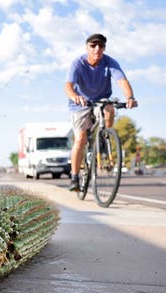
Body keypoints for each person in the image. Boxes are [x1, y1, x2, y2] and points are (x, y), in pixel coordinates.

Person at [64, 33, 137, 191]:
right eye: (93, 45)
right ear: (87, 47)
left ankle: (104, 136)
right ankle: (75, 177)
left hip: (101, 100)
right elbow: (68, 86)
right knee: (81, 139)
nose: (97, 49)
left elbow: (122, 81)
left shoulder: (110, 62)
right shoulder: (78, 63)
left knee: (110, 108)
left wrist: (130, 97)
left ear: (104, 48)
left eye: (101, 46)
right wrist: (75, 96)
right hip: (80, 103)